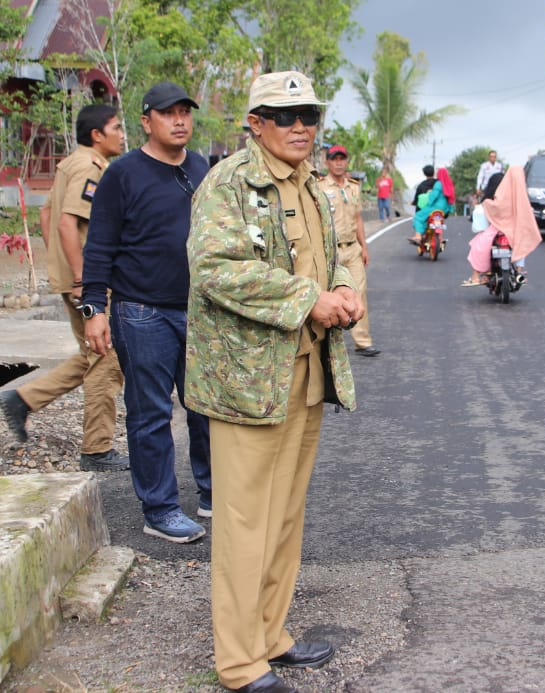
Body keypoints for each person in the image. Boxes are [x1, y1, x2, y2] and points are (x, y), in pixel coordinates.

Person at [184, 69, 363, 693]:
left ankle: (270, 635)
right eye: (284, 117)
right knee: (243, 521)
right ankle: (237, 662)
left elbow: (335, 255)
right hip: (247, 381)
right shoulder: (228, 183)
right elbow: (215, 268)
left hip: (306, 372)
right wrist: (310, 298)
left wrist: (343, 290)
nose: (300, 127)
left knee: (285, 515)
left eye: (309, 115)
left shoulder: (315, 185)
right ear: (254, 124)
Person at [80, 82, 213, 543]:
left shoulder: (201, 168)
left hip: (197, 310)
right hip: (142, 312)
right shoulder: (123, 174)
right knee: (151, 412)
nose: (179, 120)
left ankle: (214, 492)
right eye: (168, 113)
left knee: (204, 406)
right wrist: (94, 308)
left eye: (185, 112)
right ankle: (159, 510)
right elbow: (98, 244)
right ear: (146, 120)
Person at [0, 105, 128, 470]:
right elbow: (67, 223)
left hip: (73, 277)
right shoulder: (90, 168)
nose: (121, 134)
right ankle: (97, 449)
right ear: (97, 135)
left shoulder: (70, 163)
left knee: (94, 354)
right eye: (116, 128)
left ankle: (22, 400)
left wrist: (62, 266)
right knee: (106, 359)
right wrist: (83, 280)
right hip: (87, 282)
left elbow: (46, 215)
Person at [320, 145, 380, 357]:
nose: (338, 162)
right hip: (330, 251)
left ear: (347, 162)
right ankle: (324, 345)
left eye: (342, 159)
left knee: (359, 293)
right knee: (327, 297)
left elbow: (358, 219)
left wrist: (364, 247)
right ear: (327, 162)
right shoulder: (319, 187)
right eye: (334, 159)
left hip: (352, 249)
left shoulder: (353, 188)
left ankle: (362, 342)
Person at [465, 167, 542, 286]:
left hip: (497, 230)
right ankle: (519, 272)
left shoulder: (497, 197)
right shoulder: (521, 198)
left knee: (479, 245)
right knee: (521, 244)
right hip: (515, 231)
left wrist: (484, 205)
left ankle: (476, 276)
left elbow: (487, 218)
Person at [407, 167, 455, 244]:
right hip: (445, 209)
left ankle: (418, 236)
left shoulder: (438, 184)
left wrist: (428, 202)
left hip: (435, 207)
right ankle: (440, 238)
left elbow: (433, 197)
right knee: (439, 221)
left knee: (418, 216)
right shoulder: (449, 184)